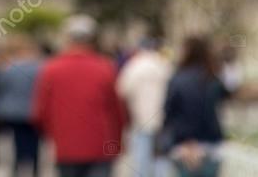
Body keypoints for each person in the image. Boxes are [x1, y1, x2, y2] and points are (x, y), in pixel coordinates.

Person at [31, 14, 126, 177]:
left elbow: (40, 113)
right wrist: (117, 141)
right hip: (100, 147)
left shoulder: (51, 69)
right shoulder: (105, 67)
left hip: (66, 147)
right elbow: (116, 110)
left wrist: (54, 135)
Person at [159, 35, 230, 177]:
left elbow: (169, 112)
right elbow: (220, 102)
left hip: (184, 147)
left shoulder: (178, 79)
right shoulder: (213, 78)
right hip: (211, 145)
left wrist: (186, 139)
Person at [117, 37, 172, 177]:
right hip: (163, 119)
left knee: (141, 158)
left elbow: (122, 90)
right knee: (161, 159)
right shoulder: (164, 65)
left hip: (140, 119)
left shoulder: (134, 66)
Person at [0, 36, 42, 174]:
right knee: (34, 141)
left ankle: (16, 167)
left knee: (15, 141)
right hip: (32, 111)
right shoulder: (40, 68)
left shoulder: (7, 68)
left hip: (11, 111)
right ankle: (34, 168)